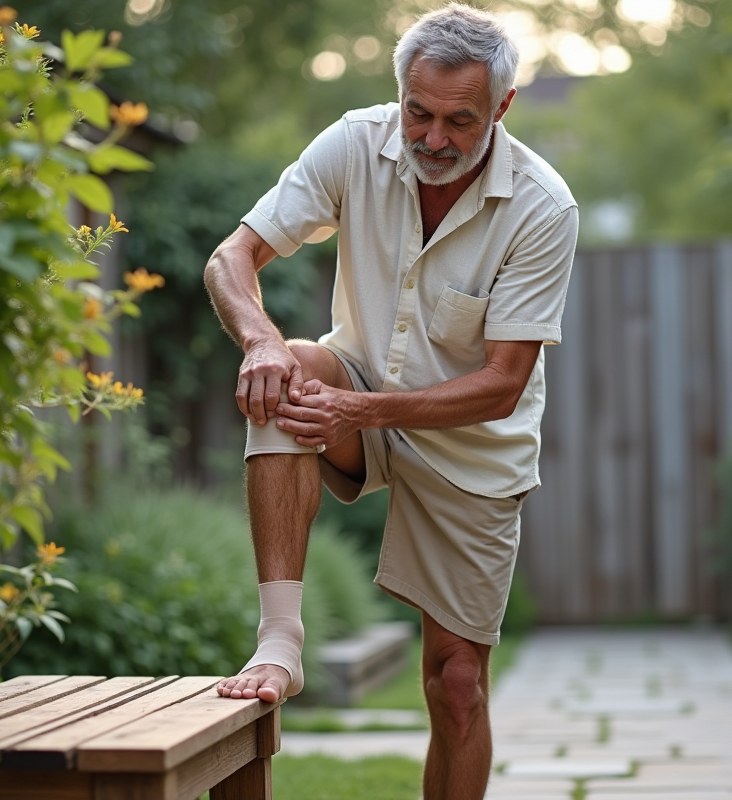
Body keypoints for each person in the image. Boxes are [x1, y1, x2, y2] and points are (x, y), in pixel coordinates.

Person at [204, 4, 577, 797]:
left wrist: (358, 414)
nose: (432, 138)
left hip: (473, 450)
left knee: (457, 690)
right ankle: (280, 640)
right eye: (418, 111)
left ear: (502, 110)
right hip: (360, 387)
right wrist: (264, 342)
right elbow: (233, 257)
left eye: (459, 120)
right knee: (292, 368)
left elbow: (503, 384)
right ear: (399, 89)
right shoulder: (353, 142)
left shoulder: (544, 208)